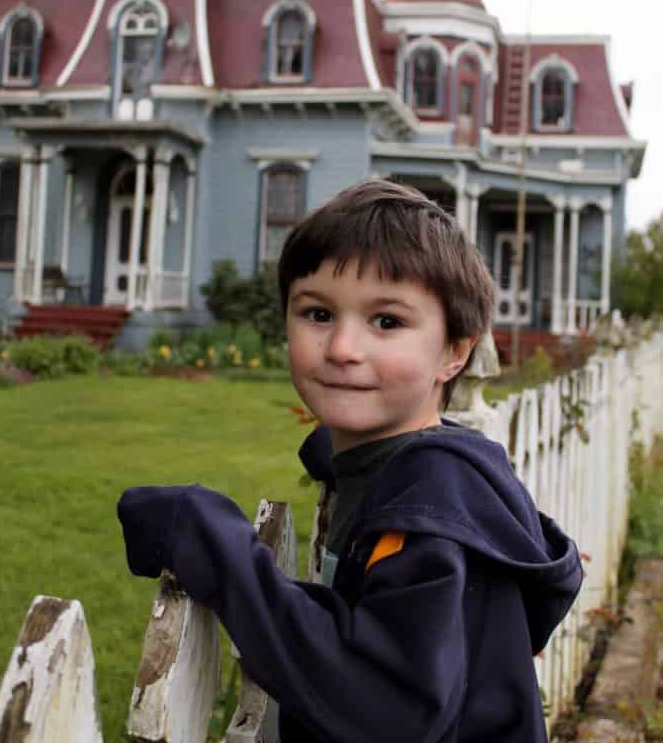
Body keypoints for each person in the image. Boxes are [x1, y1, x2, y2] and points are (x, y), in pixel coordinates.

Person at [118, 179, 583, 742]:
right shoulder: (437, 472)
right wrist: (342, 460)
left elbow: (387, 705)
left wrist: (206, 535)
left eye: (387, 322)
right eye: (317, 313)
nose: (341, 348)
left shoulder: (426, 517)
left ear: (455, 352)